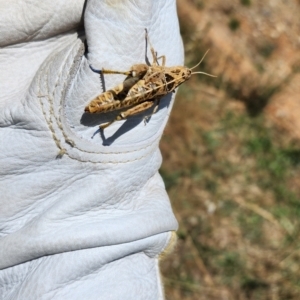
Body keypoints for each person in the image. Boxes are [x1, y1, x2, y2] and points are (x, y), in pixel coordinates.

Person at [0, 0, 183, 299]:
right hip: (119, 94)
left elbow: (153, 63)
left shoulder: (164, 79)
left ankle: (102, 126)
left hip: (125, 98)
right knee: (140, 83)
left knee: (141, 89)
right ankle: (105, 109)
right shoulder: (166, 81)